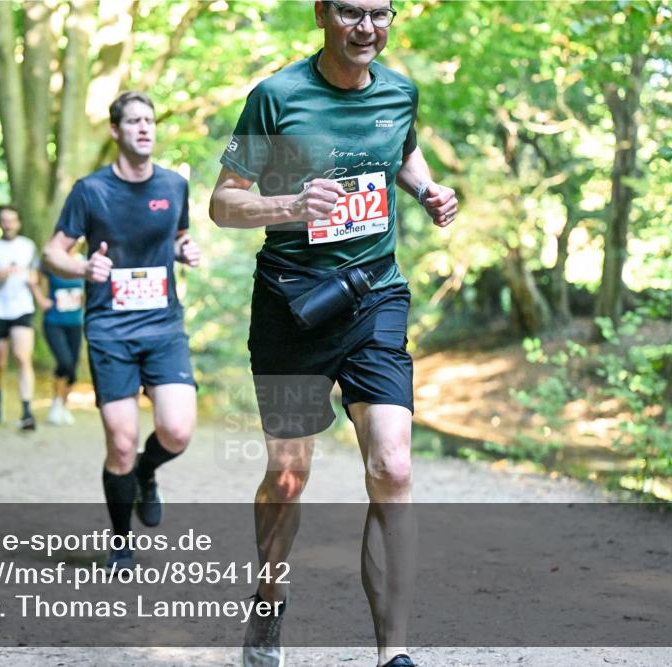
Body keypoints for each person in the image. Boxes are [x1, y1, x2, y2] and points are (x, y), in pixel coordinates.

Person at [209, 2, 458, 666]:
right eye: (351, 11)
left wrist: (428, 190)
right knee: (289, 475)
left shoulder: (400, 92)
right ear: (322, 13)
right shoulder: (277, 97)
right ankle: (269, 597)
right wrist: (289, 205)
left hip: (374, 295)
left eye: (380, 13)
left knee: (393, 466)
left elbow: (403, 155)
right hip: (292, 305)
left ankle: (393, 653)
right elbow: (223, 201)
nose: (366, 27)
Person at [44, 91, 202, 569]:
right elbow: (52, 252)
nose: (144, 127)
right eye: (133, 121)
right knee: (121, 441)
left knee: (177, 431)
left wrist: (184, 250)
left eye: (149, 120)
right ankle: (121, 542)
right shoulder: (90, 191)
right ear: (115, 130)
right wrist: (82, 267)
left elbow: (177, 236)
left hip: (163, 325)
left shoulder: (174, 185)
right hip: (110, 328)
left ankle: (145, 475)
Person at [0, 204, 47, 431]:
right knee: (0, 361)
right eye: (4, 220)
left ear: (18, 222)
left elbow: (37, 273)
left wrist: (35, 281)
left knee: (23, 357)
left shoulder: (28, 246)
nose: (8, 224)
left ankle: (27, 410)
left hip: (22, 308)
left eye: (12, 220)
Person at [40, 259, 85, 426]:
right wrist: (41, 300)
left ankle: (63, 406)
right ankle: (57, 403)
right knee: (64, 362)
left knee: (73, 368)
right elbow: (34, 281)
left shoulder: (83, 261)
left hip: (75, 323)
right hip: (54, 322)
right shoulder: (52, 262)